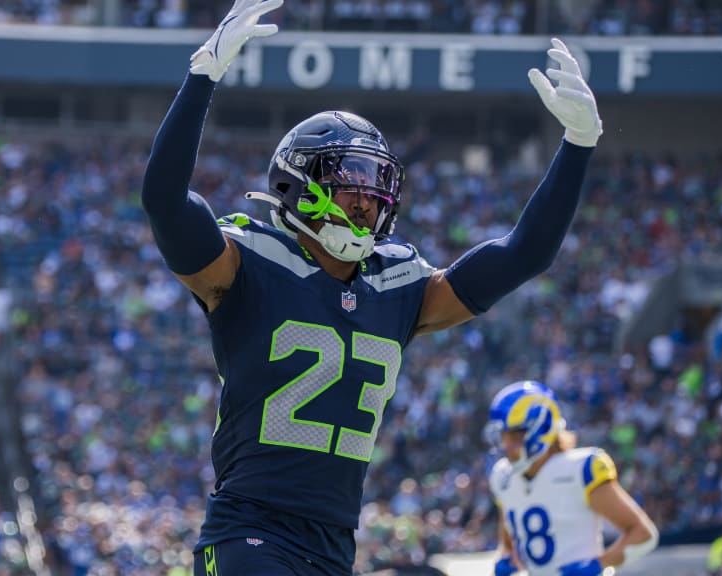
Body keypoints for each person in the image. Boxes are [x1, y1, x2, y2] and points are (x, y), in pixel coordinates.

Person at [140, 0, 603, 573]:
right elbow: (165, 202)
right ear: (297, 184)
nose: (367, 201)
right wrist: (201, 79)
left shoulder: (399, 283)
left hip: (335, 542)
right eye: (350, 184)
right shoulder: (249, 263)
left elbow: (523, 254)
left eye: (376, 184)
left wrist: (578, 146)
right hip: (248, 530)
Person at [485, 381, 659, 576]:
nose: (506, 445)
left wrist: (597, 565)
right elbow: (509, 544)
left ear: (542, 429)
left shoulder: (581, 469)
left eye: (514, 436)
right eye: (503, 437)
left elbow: (643, 534)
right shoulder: (503, 477)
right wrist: (505, 559)